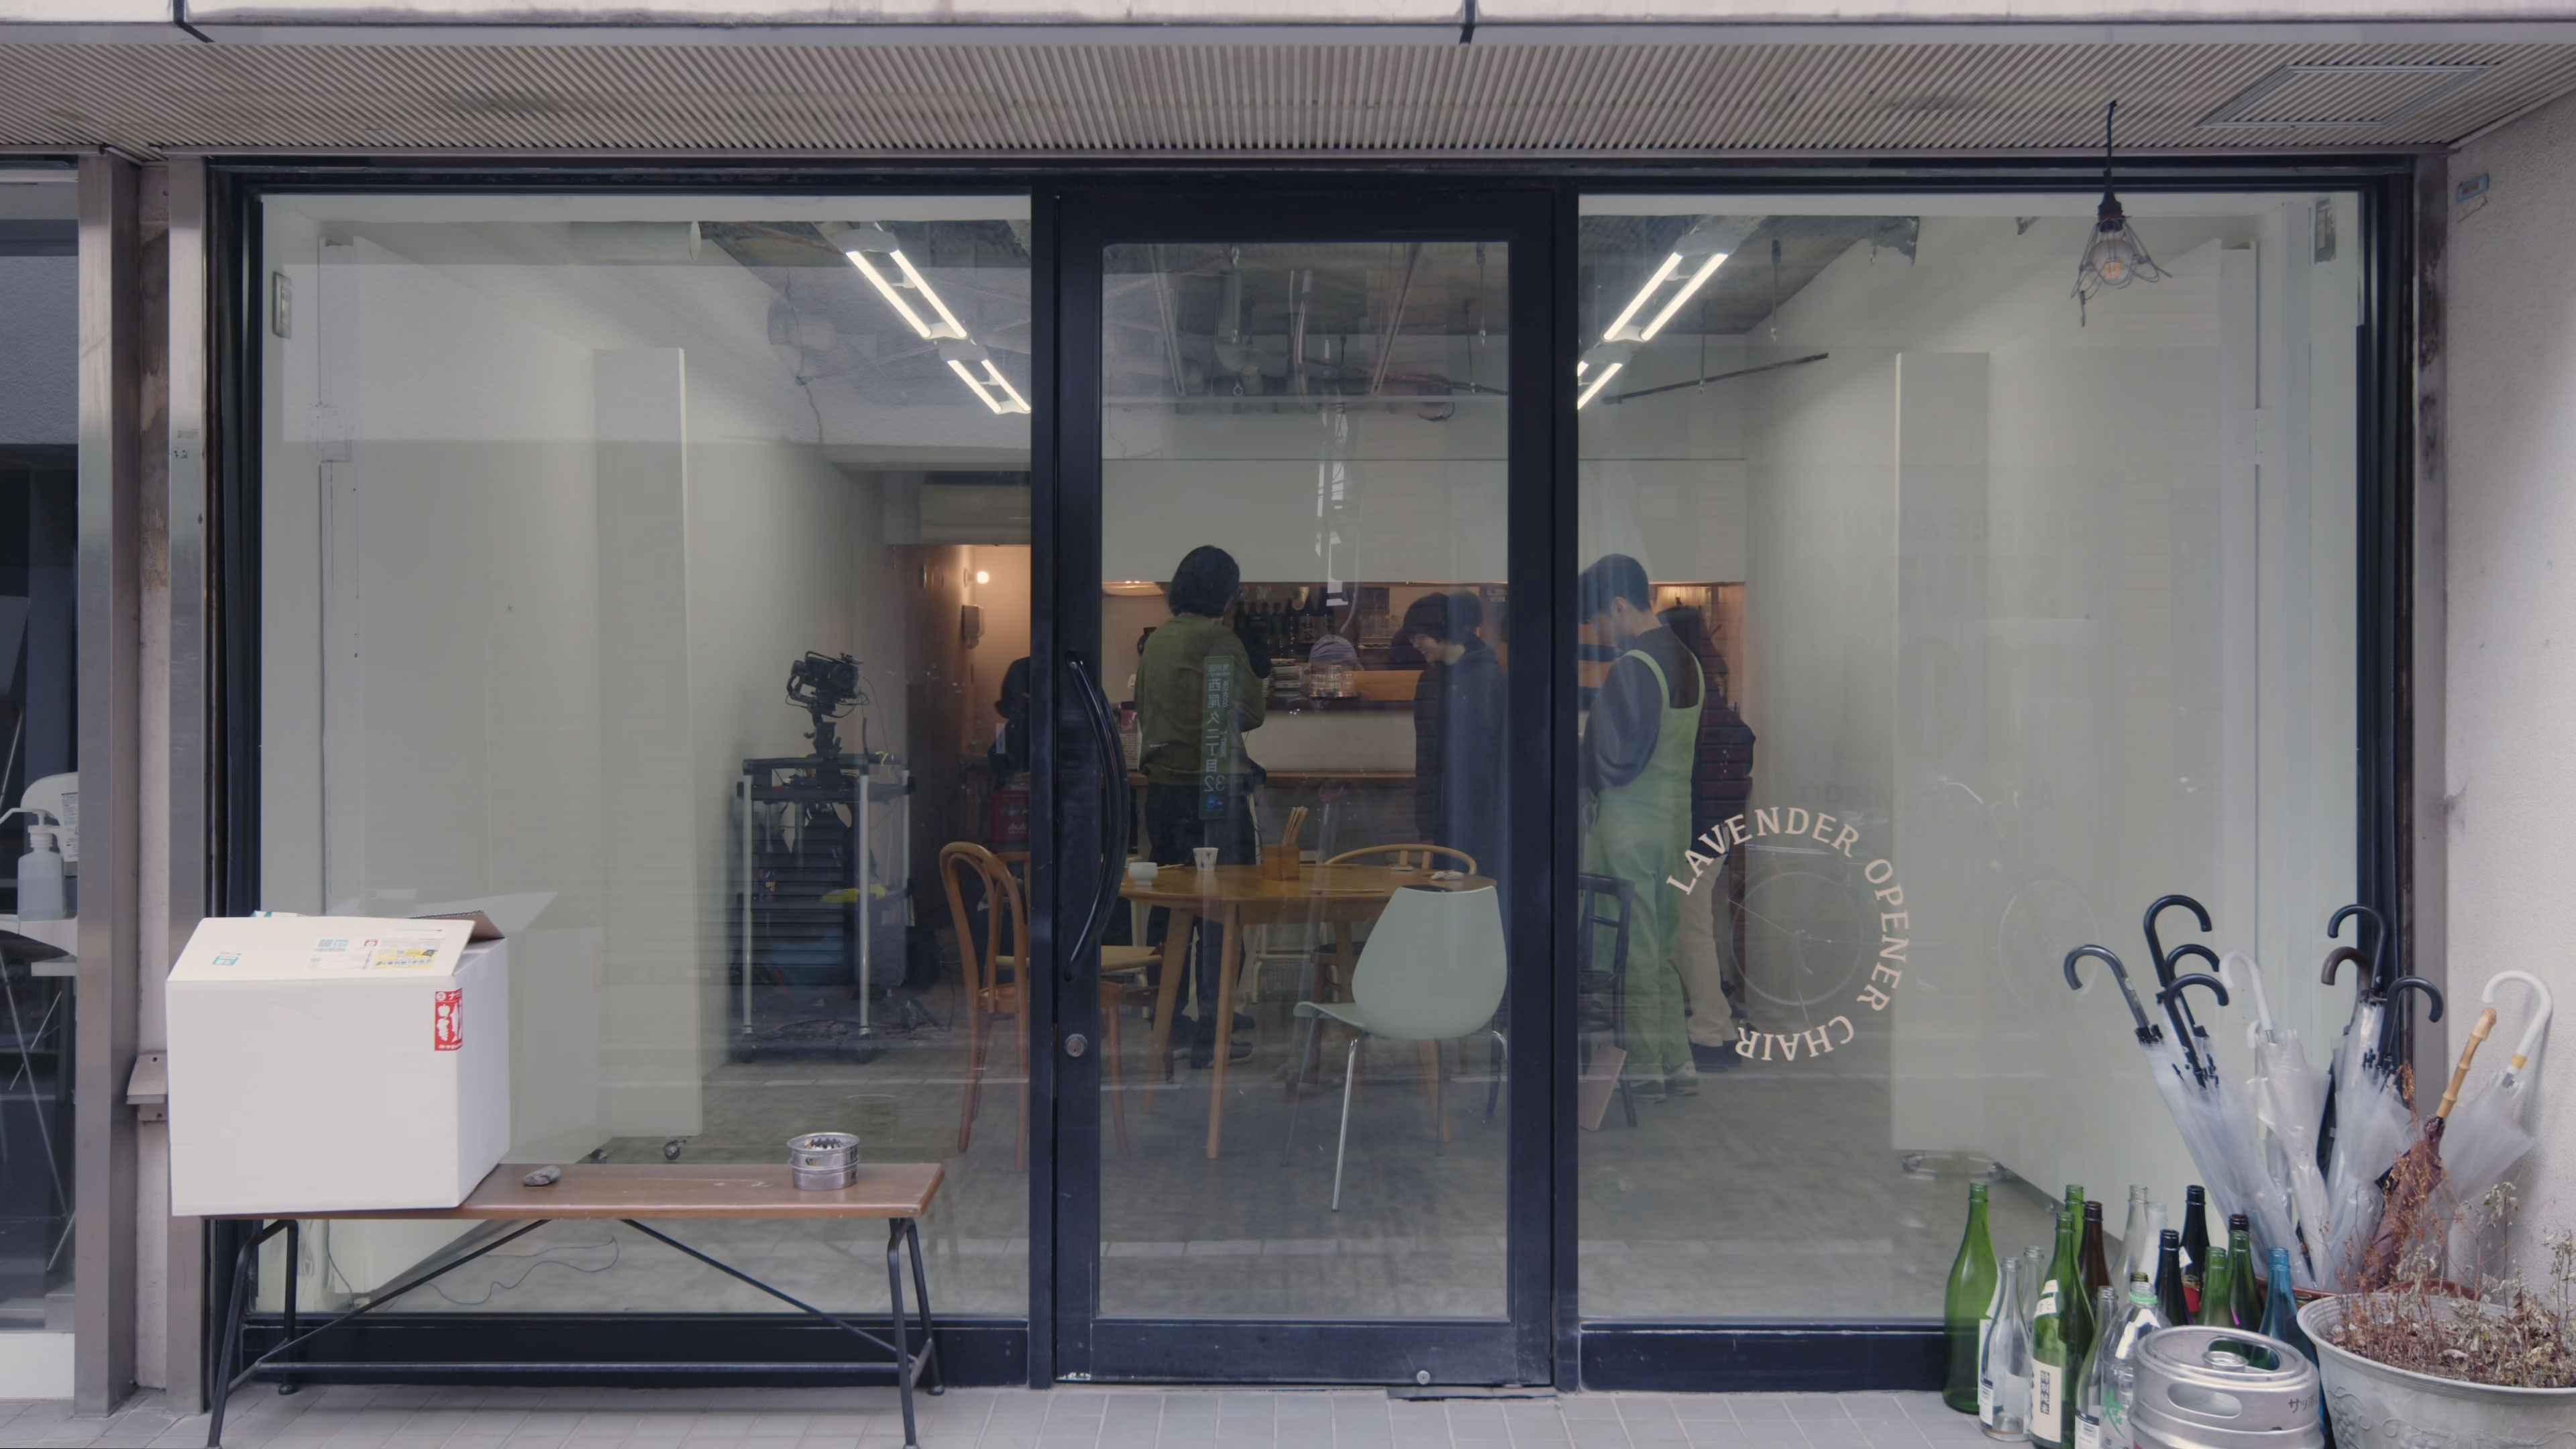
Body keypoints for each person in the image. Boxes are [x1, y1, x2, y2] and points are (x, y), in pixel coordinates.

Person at [1134, 545, 1266, 1067]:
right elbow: (1251, 712)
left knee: (1172, 909)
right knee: (1223, 911)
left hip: (1164, 793)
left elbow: (1143, 707)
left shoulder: (1157, 641)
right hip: (1215, 791)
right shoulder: (1219, 640)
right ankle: (1216, 1030)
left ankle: (1167, 1022)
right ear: (1227, 594)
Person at [1578, 553, 1702, 1102]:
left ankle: (1646, 1068)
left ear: (1619, 606)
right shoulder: (1688, 661)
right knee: (1661, 949)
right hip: (1674, 823)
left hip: (1629, 825)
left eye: (1598, 620)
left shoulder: (1632, 666)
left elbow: (1612, 756)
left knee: (1630, 951)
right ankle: (1679, 1063)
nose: (1599, 633)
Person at [1658, 604, 1757, 1068]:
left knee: (1690, 933)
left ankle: (1710, 1034)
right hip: (1714, 834)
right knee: (1693, 931)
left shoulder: (1692, 697)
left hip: (1696, 836)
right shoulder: (1710, 694)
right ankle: (1719, 1028)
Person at [1398, 591, 1507, 883]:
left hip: (1483, 817)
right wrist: (1425, 822)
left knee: (1480, 888)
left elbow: (1498, 759)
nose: (1415, 644)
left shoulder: (1490, 678)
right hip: (1442, 816)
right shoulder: (1429, 681)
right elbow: (1425, 756)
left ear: (1442, 630)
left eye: (1420, 636)